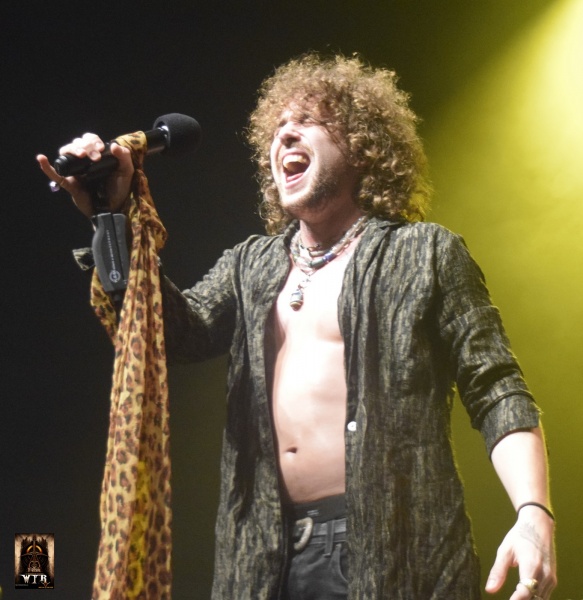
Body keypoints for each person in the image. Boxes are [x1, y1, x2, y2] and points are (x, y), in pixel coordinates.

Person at [37, 53, 556, 599]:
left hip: (396, 552)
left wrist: (533, 511)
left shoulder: (424, 253)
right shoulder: (251, 264)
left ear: (361, 146)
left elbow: (496, 387)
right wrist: (111, 215)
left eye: (308, 120)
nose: (285, 133)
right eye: (278, 126)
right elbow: (170, 334)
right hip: (264, 555)